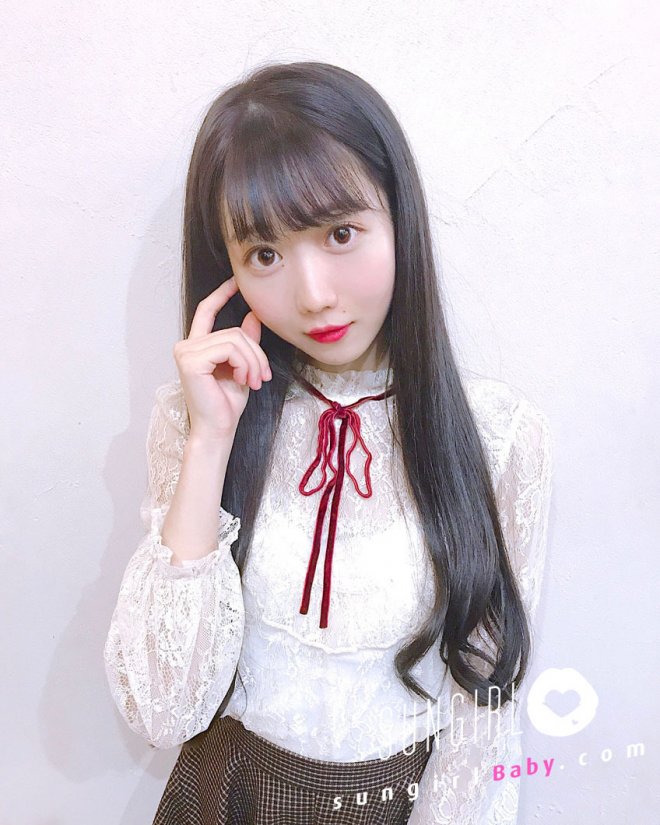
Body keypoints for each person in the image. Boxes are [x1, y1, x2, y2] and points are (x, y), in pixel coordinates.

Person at [103, 60, 554, 824]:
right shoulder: (197, 416)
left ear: (399, 218)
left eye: (340, 233)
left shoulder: (500, 437)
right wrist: (211, 439)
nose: (312, 295)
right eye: (265, 255)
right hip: (225, 795)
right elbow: (164, 709)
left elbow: (485, 717)